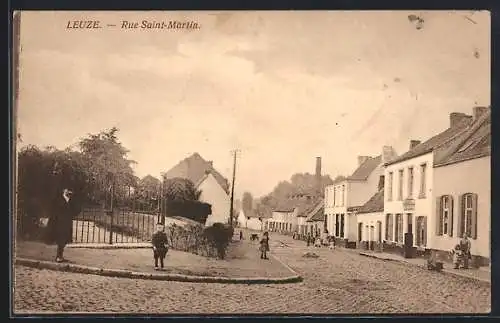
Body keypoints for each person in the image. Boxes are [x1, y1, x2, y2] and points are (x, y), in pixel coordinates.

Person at [46, 188, 81, 263]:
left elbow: (76, 211)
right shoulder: (58, 199)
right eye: (67, 190)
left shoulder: (71, 200)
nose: (68, 192)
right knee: (60, 240)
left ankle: (60, 256)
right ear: (63, 191)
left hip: (67, 223)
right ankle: (58, 256)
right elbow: (53, 211)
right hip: (59, 223)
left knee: (65, 240)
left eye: (70, 190)